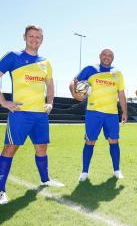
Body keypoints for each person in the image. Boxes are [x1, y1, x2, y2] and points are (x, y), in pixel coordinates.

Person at [0, 25, 64, 205]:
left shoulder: (46, 62)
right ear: (24, 37)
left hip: (40, 115)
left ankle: (45, 179)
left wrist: (50, 102)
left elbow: (50, 84)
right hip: (20, 113)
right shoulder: (13, 56)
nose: (34, 39)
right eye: (31, 36)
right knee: (10, 148)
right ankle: (0, 190)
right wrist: (3, 101)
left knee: (42, 147)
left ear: (42, 40)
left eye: (38, 37)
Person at [70, 48, 127, 182]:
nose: (107, 57)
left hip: (112, 114)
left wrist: (124, 111)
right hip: (93, 113)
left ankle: (117, 171)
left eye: (110, 55)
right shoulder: (90, 69)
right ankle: (84, 172)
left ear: (113, 58)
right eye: (104, 54)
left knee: (114, 140)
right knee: (90, 141)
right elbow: (74, 81)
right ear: (100, 56)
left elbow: (121, 94)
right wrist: (74, 93)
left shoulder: (117, 73)